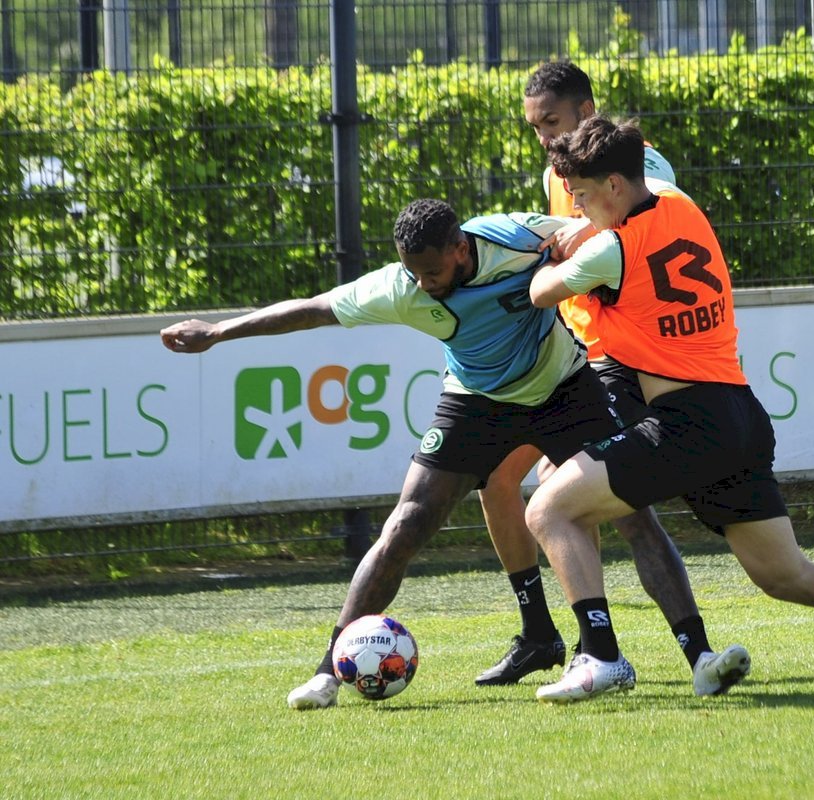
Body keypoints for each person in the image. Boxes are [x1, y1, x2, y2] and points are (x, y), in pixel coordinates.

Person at [523, 115, 814, 702]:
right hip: (737, 415)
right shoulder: (680, 203)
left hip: (683, 424)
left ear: (613, 185)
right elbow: (638, 210)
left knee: (548, 510)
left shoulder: (612, 250)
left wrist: (553, 251)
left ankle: (601, 657)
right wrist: (586, 226)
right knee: (786, 574)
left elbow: (541, 293)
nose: (578, 209)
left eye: (582, 196)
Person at [161, 199, 627, 710]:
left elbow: (614, 228)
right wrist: (219, 332)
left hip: (561, 387)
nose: (422, 283)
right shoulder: (400, 285)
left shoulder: (513, 237)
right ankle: (327, 672)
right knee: (406, 522)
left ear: (459, 249)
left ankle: (665, 649)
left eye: (431, 272)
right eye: (413, 272)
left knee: (631, 512)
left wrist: (584, 230)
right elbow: (314, 308)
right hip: (475, 400)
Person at [474, 61, 748, 697]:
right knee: (507, 480)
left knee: (597, 503)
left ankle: (622, 651)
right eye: (534, 125)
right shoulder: (557, 173)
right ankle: (555, 637)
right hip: (570, 355)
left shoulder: (640, 165)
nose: (543, 135)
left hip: (617, 363)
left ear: (586, 110)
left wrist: (572, 239)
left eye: (552, 121)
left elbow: (641, 217)